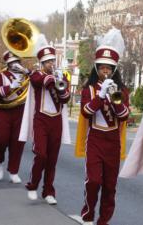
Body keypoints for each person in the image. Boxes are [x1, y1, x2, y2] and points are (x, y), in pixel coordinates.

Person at [78, 28, 129, 225]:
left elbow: (124, 116)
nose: (105, 71)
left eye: (109, 68)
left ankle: (104, 220)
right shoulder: (89, 89)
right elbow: (86, 112)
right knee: (93, 181)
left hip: (113, 143)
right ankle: (88, 215)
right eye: (102, 67)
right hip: (96, 141)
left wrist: (114, 97)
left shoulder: (120, 90)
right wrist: (100, 96)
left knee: (110, 186)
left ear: (114, 70)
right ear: (96, 68)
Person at [24, 45, 71, 205]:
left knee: (52, 159)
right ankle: (32, 185)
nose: (51, 64)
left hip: (56, 121)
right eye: (47, 62)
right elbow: (38, 80)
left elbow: (65, 98)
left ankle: (48, 191)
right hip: (41, 121)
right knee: (41, 154)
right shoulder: (37, 75)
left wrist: (61, 80)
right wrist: (53, 78)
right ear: (42, 63)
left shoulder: (61, 77)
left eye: (52, 60)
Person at [0, 51, 29, 183]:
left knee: (18, 142)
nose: (16, 65)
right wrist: (10, 87)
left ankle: (13, 171)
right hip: (3, 111)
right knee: (0, 139)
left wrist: (28, 73)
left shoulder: (26, 76)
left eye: (17, 61)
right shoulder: (2, 75)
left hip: (20, 111)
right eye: (12, 62)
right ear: (8, 64)